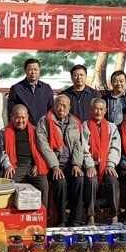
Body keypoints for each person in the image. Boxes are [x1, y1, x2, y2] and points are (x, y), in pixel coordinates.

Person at [36, 94, 87, 226]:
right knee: (60, 182)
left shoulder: (76, 122)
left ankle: (76, 219)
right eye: (59, 105)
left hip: (70, 163)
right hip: (53, 164)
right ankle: (62, 219)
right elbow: (43, 146)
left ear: (69, 107)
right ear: (54, 106)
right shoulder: (44, 121)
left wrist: (76, 164)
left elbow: (79, 145)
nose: (61, 108)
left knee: (79, 179)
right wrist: (55, 166)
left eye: (64, 106)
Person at [81, 98, 121, 224]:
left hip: (106, 164)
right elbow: (83, 148)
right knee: (91, 181)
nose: (98, 112)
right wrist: (89, 165)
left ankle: (114, 215)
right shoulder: (85, 126)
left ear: (105, 111)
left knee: (113, 181)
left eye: (101, 109)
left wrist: (110, 164)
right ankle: (90, 216)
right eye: (96, 109)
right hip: (91, 164)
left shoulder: (111, 127)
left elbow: (115, 147)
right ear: (91, 110)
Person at [2, 104, 50, 208]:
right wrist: (8, 165)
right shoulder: (4, 132)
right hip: (15, 166)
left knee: (43, 184)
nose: (20, 121)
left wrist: (37, 165)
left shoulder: (35, 131)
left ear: (27, 117)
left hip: (32, 166)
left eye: (23, 118)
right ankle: (10, 213)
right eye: (17, 118)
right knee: (7, 185)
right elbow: (2, 152)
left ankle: (42, 213)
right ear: (12, 117)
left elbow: (42, 150)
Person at [7, 58, 55, 124]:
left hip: (43, 127)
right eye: (30, 69)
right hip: (24, 127)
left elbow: (51, 110)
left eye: (35, 69)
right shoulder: (16, 89)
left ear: (39, 70)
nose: (33, 72)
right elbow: (11, 112)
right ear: (25, 71)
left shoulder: (47, 88)